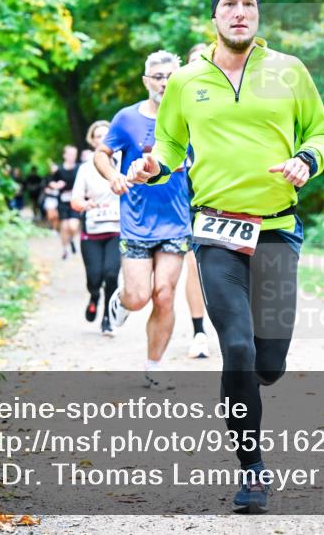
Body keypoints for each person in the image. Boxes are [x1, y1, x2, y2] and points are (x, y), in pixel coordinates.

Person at [127, 0, 324, 513]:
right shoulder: (187, 80)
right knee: (237, 349)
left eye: (248, 4)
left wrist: (304, 160)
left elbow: (321, 132)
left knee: (269, 363)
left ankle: (264, 381)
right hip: (215, 232)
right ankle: (253, 469)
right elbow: (170, 142)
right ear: (214, 17)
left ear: (257, 15)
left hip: (276, 228)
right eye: (229, 4)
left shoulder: (289, 72)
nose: (239, 12)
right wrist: (155, 165)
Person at [93, 50, 191, 391]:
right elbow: (101, 154)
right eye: (158, 77)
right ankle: (121, 301)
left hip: (176, 221)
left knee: (164, 294)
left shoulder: (190, 117)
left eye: (170, 76)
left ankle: (154, 365)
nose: (164, 82)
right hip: (136, 220)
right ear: (146, 80)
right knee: (139, 297)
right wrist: (113, 176)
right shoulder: (126, 118)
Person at [71, 121, 122, 336]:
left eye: (106, 135)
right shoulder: (84, 168)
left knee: (111, 275)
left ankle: (108, 318)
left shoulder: (122, 163)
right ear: (92, 141)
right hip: (91, 231)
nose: (102, 139)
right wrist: (85, 204)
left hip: (117, 230)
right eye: (98, 136)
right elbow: (75, 199)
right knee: (95, 277)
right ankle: (94, 296)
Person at [183, 42, 211, 360]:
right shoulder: (178, 106)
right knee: (195, 265)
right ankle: (199, 331)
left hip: (231, 199)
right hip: (189, 205)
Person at [51, 145, 81, 260]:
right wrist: (56, 185)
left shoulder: (79, 168)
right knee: (64, 227)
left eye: (74, 154)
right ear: (64, 155)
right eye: (69, 154)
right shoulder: (58, 170)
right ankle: (65, 249)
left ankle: (72, 239)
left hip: (75, 200)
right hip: (62, 201)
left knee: (73, 227)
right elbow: (50, 183)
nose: (72, 156)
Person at [40, 163, 61, 231]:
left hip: (58, 198)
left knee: (56, 215)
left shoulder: (60, 176)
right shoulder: (47, 177)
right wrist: (46, 190)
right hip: (49, 198)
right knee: (50, 215)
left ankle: (55, 229)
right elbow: (43, 186)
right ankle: (51, 226)